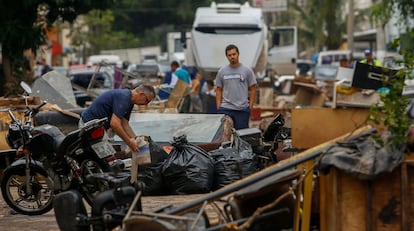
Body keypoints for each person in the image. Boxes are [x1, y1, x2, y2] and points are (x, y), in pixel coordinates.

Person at [79, 85, 156, 152]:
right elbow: (115, 124)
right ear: (141, 94)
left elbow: (124, 124)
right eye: (147, 101)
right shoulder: (124, 98)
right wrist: (129, 142)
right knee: (101, 155)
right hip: (89, 125)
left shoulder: (129, 102)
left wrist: (137, 141)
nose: (146, 104)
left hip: (100, 127)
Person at [215, 44, 257, 130]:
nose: (232, 57)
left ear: (238, 54)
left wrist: (250, 106)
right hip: (226, 109)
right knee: (224, 135)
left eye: (234, 54)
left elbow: (253, 87)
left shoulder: (247, 70)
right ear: (227, 57)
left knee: (242, 136)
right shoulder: (222, 71)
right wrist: (219, 107)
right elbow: (219, 89)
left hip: (242, 109)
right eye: (229, 55)